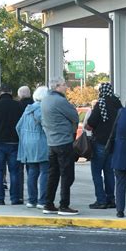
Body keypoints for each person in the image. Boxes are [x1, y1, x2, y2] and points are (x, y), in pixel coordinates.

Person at [41, 77, 79, 215]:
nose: (66, 87)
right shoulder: (60, 101)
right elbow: (75, 116)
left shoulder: (45, 100)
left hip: (51, 142)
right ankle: (64, 205)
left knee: (53, 174)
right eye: (64, 85)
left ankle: (48, 203)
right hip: (63, 141)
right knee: (67, 174)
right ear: (56, 87)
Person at [85, 83, 122, 209]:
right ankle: (111, 199)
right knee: (109, 172)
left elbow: (90, 124)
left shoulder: (100, 103)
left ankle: (101, 200)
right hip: (113, 143)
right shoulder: (118, 104)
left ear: (101, 91)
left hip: (100, 142)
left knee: (96, 172)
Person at [16, 86, 49, 209]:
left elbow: (18, 127)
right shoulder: (42, 109)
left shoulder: (27, 110)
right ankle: (42, 200)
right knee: (45, 171)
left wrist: (25, 138)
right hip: (42, 143)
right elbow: (46, 126)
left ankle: (31, 200)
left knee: (32, 172)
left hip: (27, 145)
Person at [17, 85, 34, 203]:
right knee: (32, 170)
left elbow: (17, 125)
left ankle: (19, 195)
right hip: (34, 141)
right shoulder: (35, 106)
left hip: (20, 141)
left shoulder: (17, 106)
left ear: (19, 95)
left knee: (18, 170)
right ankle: (33, 196)